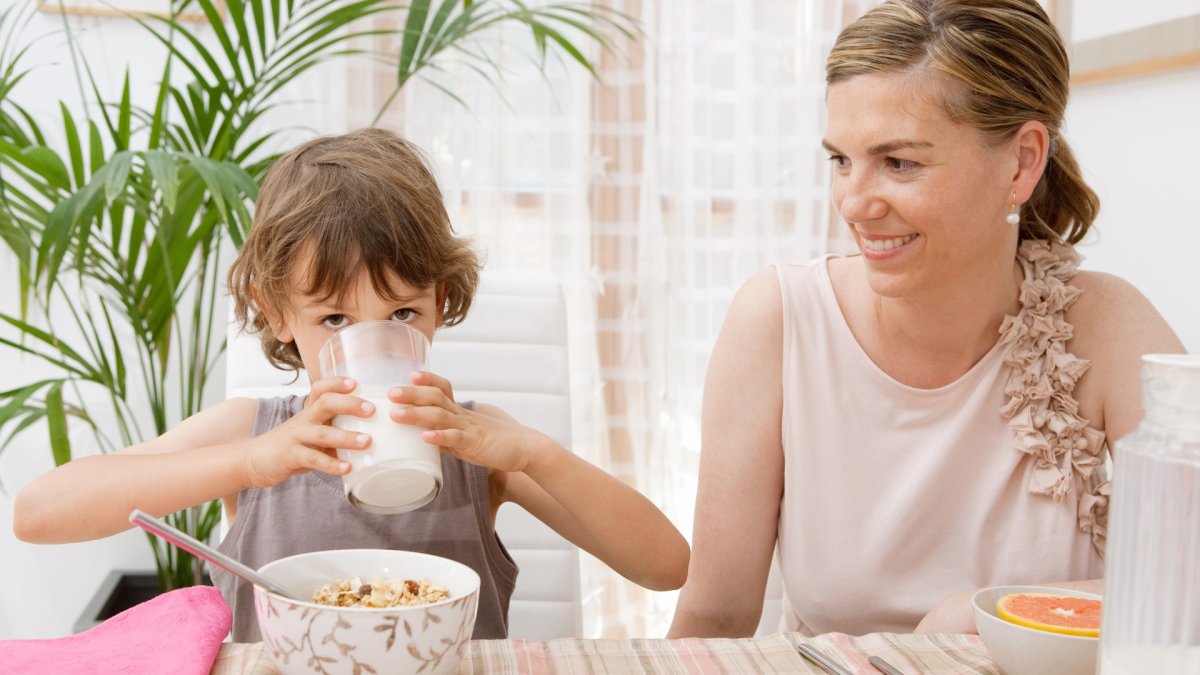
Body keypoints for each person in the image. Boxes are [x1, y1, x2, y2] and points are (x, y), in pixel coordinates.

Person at [14, 128, 689, 641]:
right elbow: (38, 512)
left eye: (401, 314)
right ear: (277, 312)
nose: (373, 342)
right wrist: (250, 461)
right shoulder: (251, 435)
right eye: (334, 318)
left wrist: (532, 453)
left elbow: (666, 565)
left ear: (441, 298)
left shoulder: (478, 445)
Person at [668, 0, 1186, 638]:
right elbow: (715, 617)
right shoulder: (778, 320)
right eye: (840, 160)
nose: (854, 203)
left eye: (900, 163)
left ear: (1022, 163)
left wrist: (975, 613)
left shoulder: (1104, 328)